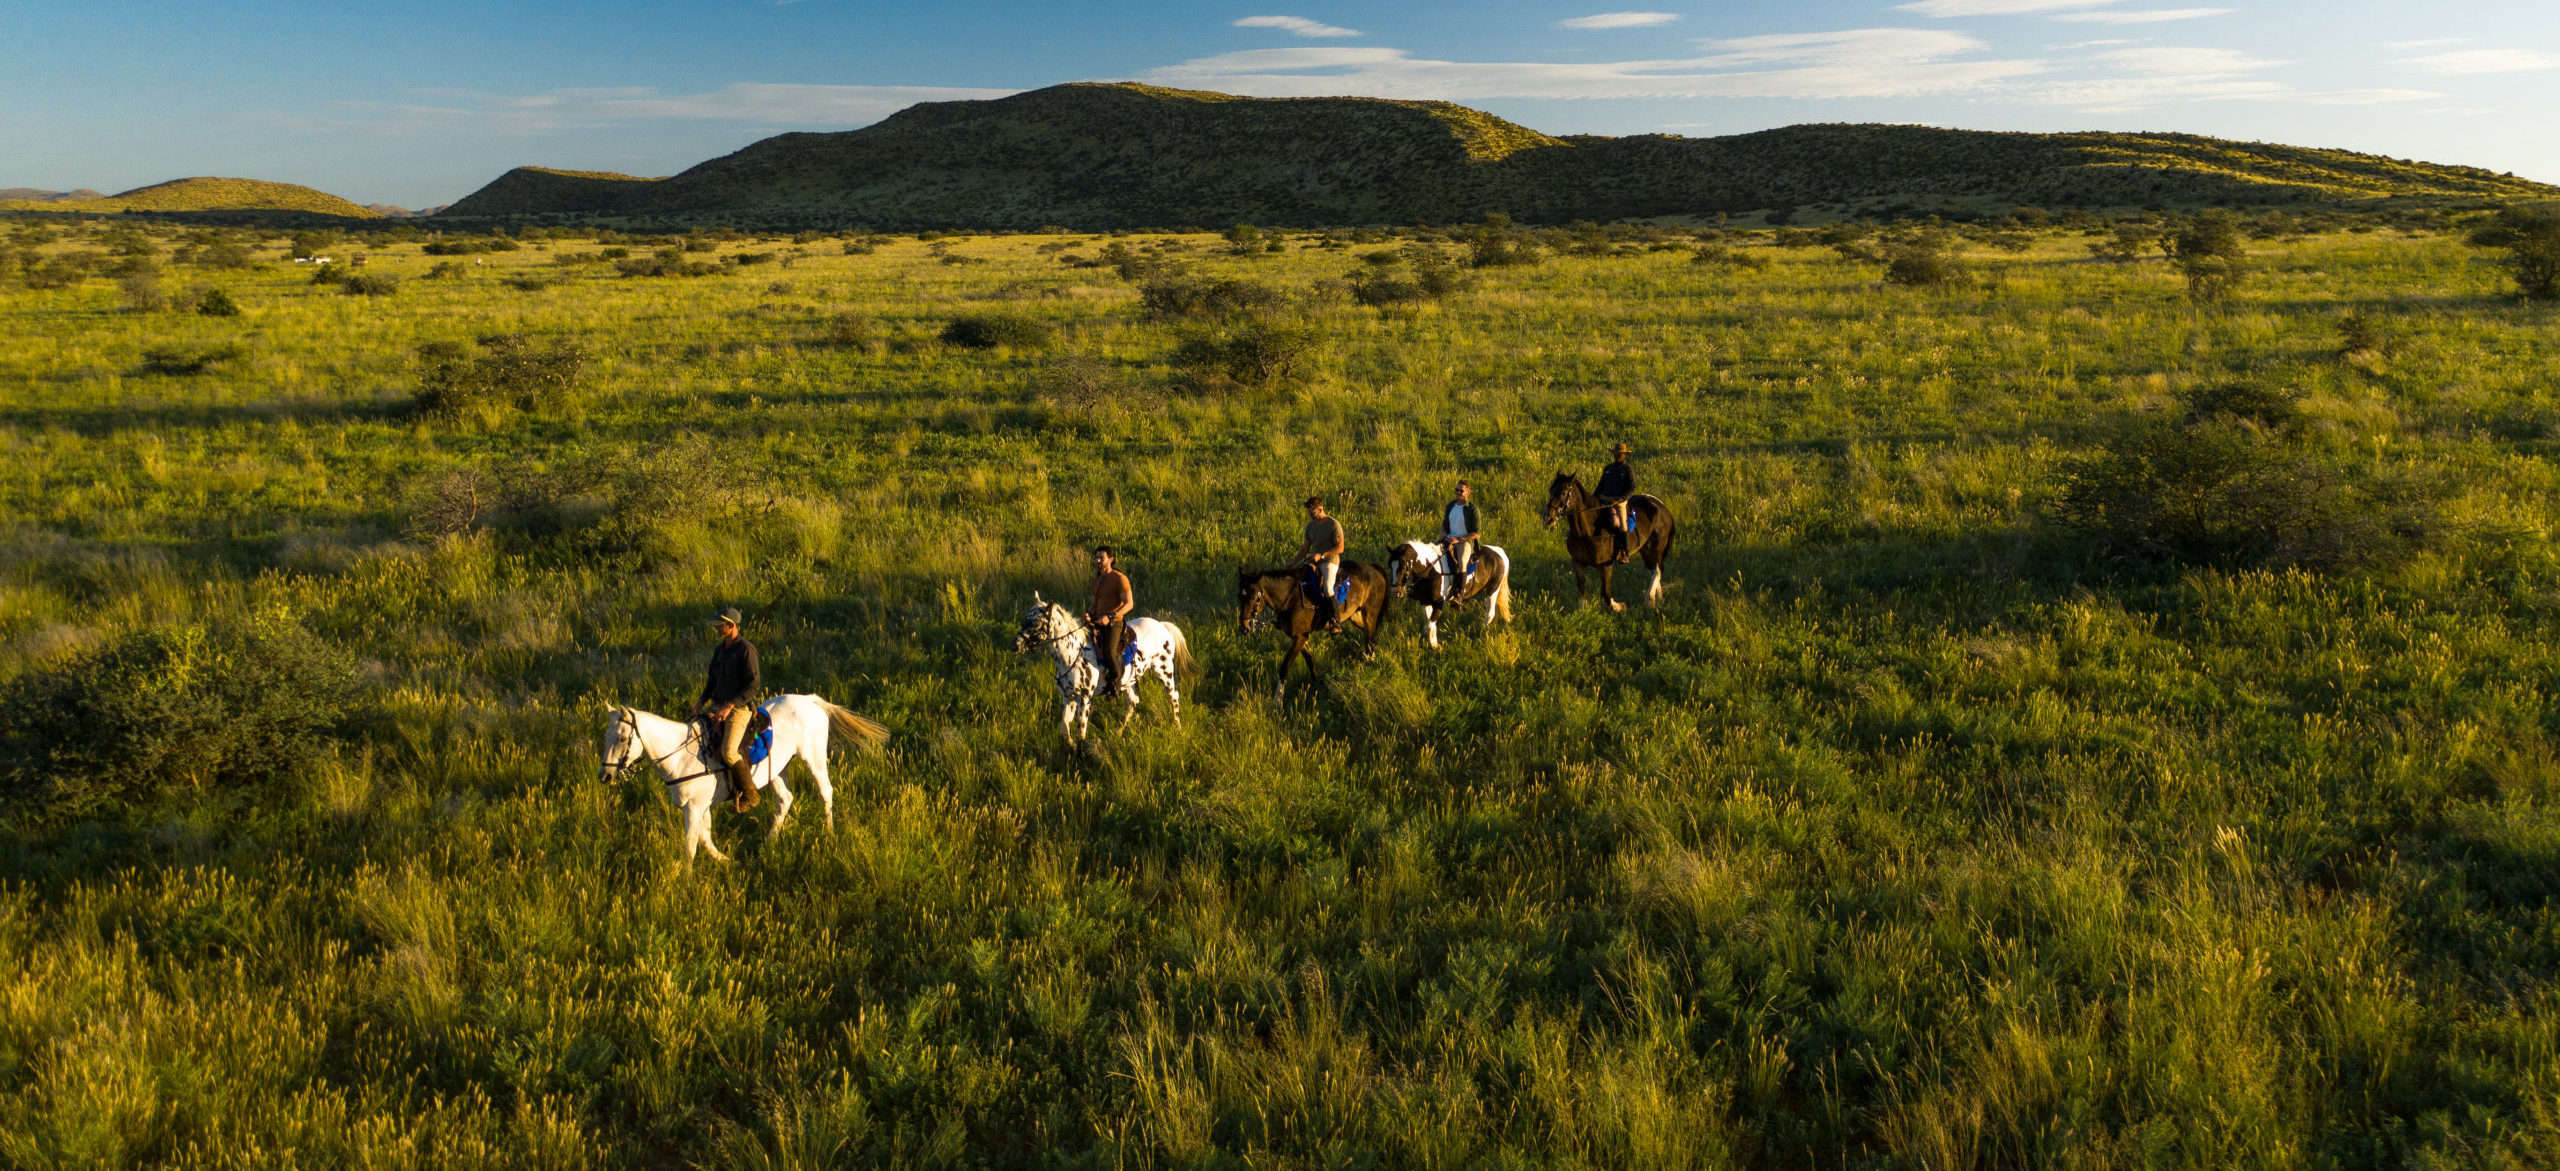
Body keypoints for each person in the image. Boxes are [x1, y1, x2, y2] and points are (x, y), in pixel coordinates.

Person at [694, 607, 762, 812]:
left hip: (739, 709)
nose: (716, 628)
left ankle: (751, 796)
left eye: (720, 625)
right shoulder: (719, 650)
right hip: (717, 705)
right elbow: (711, 681)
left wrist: (730, 706)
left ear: (732, 626)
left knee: (729, 751)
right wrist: (700, 701)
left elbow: (753, 685)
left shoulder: (746, 650)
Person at [1290, 495, 1347, 629]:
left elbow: (1340, 548)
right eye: (1309, 513)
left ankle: (1335, 620)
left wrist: (1321, 555)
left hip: (1330, 561)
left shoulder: (1333, 524)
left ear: (1320, 509)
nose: (1310, 516)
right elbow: (1304, 549)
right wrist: (1292, 563)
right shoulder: (1310, 527)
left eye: (1312, 513)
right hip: (1314, 560)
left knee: (1327, 587)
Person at [1085, 546, 1133, 693]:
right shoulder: (1097, 580)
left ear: (1110, 559)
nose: (1098, 560)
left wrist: (1111, 616)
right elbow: (1095, 604)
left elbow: (1129, 604)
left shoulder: (1119, 579)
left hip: (1114, 622)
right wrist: (1088, 614)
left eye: (1101, 558)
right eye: (1096, 557)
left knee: (1109, 651)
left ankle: (1115, 682)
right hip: (1098, 621)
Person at [1440, 480, 1479, 596]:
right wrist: (1442, 534)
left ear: (1468, 492)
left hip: (1464, 542)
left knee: (1462, 562)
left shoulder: (1472, 509)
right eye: (1456, 490)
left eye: (1461, 491)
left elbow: (1476, 533)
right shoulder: (1451, 506)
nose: (1458, 492)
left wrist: (1459, 539)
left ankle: (1459, 594)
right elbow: (1444, 524)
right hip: (1448, 540)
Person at [1596, 442, 1637, 548]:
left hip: (1619, 501)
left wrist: (1619, 500)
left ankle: (1625, 551)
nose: (1617, 455)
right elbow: (1601, 485)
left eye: (1620, 454)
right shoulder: (1608, 469)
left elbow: (1631, 488)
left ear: (1624, 455)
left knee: (1622, 523)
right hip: (1604, 498)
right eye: (1616, 453)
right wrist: (1594, 497)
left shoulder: (1628, 470)